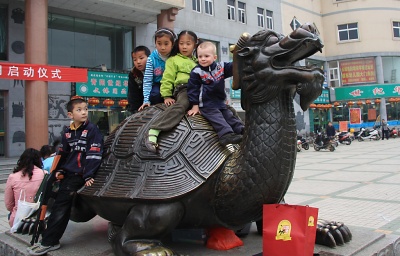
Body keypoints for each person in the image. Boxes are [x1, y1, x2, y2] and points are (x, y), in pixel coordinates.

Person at [28, 96, 103, 256]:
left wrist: (89, 174)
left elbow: (94, 153)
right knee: (50, 200)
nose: (84, 113)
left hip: (79, 174)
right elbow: (63, 154)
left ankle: (50, 241)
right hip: (68, 173)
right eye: (79, 110)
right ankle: (46, 235)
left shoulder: (92, 130)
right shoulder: (68, 133)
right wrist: (58, 171)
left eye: (85, 109)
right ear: (70, 114)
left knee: (61, 205)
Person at [144, 30, 198, 153]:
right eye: (181, 43)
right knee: (181, 106)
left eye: (188, 44)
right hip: (184, 89)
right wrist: (167, 96)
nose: (184, 46)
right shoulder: (173, 60)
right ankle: (155, 129)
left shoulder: (198, 61)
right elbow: (167, 78)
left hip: (198, 90)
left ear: (195, 45)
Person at [187, 41, 244, 145]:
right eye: (200, 56)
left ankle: (241, 130)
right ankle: (225, 135)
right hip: (206, 104)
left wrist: (238, 56)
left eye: (206, 56)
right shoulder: (196, 72)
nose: (203, 59)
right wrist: (195, 106)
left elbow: (234, 67)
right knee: (217, 118)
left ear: (214, 57)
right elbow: (193, 89)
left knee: (229, 116)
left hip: (219, 102)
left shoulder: (220, 67)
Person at [4, 148, 46, 228]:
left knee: (11, 213)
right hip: (39, 217)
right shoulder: (45, 174)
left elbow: (8, 204)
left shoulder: (12, 177)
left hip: (18, 219)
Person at [139, 28, 176, 111]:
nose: (162, 47)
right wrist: (146, 100)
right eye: (159, 44)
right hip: (158, 85)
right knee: (155, 95)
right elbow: (147, 80)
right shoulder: (151, 59)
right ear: (155, 43)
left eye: (166, 44)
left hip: (173, 84)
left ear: (172, 44)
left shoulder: (176, 57)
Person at [127, 46, 150, 113]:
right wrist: (135, 111)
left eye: (141, 58)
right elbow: (132, 95)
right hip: (140, 109)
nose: (138, 62)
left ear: (149, 58)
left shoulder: (156, 70)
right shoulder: (133, 74)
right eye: (135, 60)